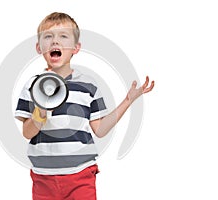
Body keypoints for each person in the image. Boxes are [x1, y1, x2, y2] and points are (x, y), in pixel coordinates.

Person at [15, 12, 154, 200]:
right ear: (39, 48)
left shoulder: (88, 85)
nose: (55, 42)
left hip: (81, 176)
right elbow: (27, 133)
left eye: (63, 36)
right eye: (48, 37)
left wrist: (128, 100)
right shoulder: (32, 86)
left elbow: (100, 129)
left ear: (76, 48)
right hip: (43, 178)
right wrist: (41, 109)